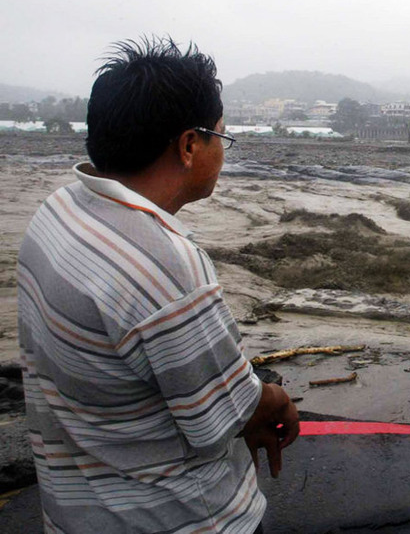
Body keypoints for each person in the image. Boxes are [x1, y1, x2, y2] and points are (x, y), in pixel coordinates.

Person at [17, 37, 299, 533]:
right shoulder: (164, 267)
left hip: (75, 512)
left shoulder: (57, 211)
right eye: (221, 138)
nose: (222, 152)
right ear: (190, 146)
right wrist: (271, 399)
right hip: (176, 520)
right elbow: (223, 417)